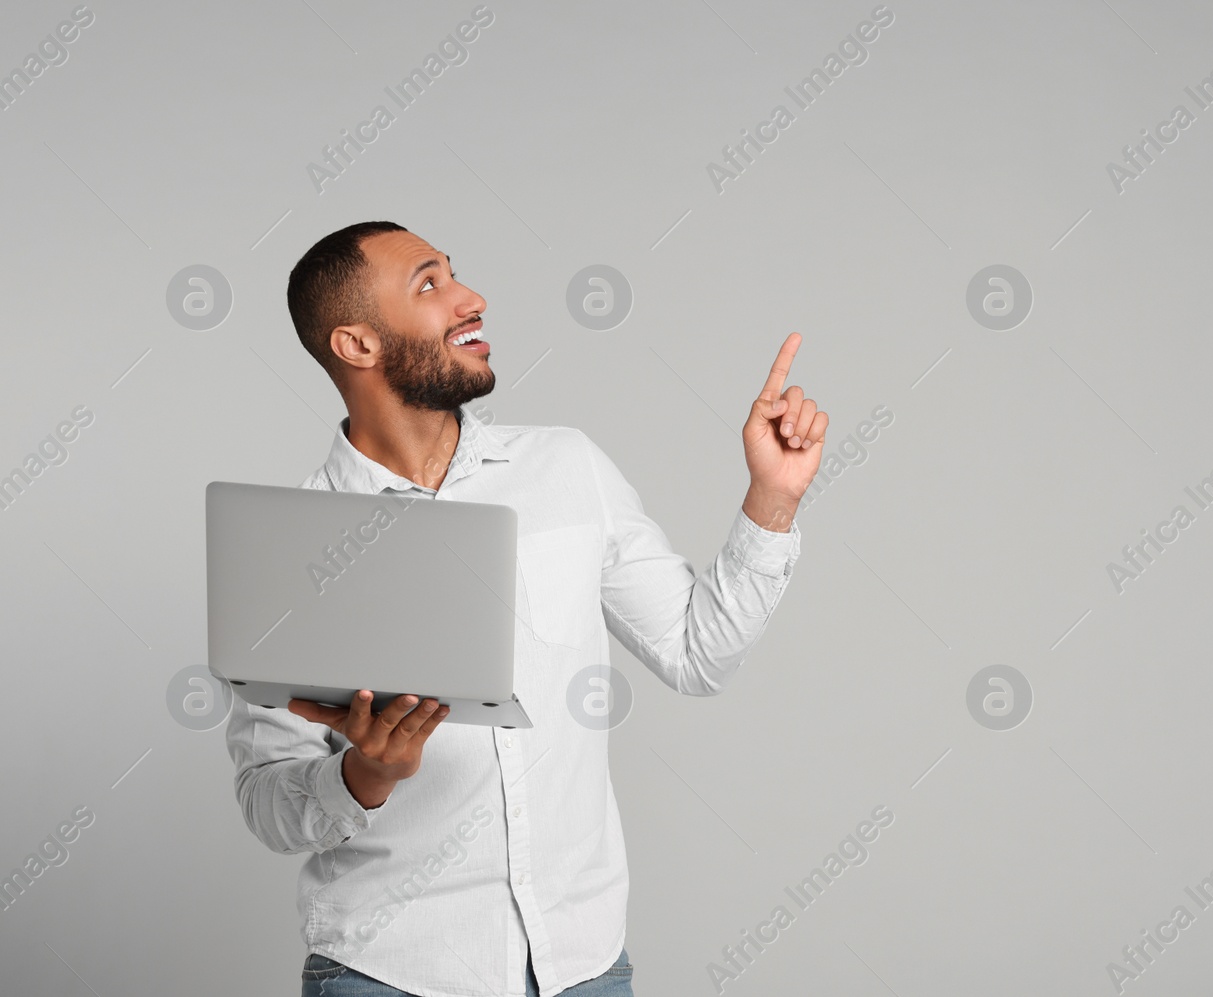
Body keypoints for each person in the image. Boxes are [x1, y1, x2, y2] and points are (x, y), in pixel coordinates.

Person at [223, 220, 826, 997]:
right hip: (389, 974)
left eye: (455, 273)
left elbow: (697, 652)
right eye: (430, 284)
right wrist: (364, 774)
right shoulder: (288, 549)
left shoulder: (567, 466)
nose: (472, 299)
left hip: (584, 968)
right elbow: (266, 800)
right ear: (358, 345)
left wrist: (772, 500)